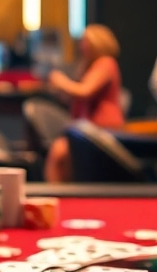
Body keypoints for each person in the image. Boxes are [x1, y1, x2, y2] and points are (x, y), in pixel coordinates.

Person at [44, 24, 125, 182]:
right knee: (61, 155)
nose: (82, 46)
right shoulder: (89, 66)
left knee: (59, 151)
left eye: (86, 42)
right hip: (87, 130)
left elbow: (85, 91)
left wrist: (61, 81)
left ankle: (57, 196)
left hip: (102, 130)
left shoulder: (106, 63)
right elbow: (74, 96)